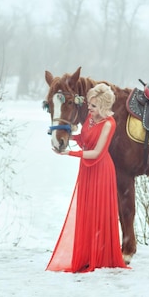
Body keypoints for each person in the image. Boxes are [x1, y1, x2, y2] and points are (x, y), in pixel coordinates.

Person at [46, 83, 129, 273]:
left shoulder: (109, 124)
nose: (88, 109)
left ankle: (100, 256)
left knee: (98, 211)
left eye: (92, 106)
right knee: (87, 210)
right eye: (90, 105)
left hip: (100, 169)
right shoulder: (91, 118)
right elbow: (84, 139)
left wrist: (69, 154)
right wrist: (67, 137)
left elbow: (97, 153)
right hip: (87, 169)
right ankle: (87, 254)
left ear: (102, 106)